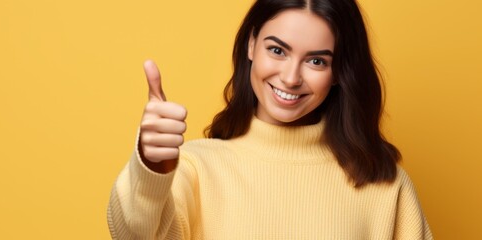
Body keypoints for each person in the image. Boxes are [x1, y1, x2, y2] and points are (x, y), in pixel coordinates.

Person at [107, 0, 433, 239]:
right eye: (277, 50)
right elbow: (134, 235)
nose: (291, 78)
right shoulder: (197, 168)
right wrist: (151, 167)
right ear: (251, 44)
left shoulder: (387, 187)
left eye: (317, 61)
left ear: (338, 73)